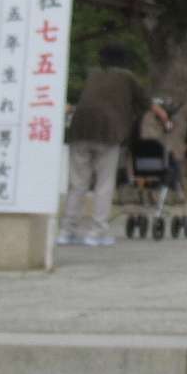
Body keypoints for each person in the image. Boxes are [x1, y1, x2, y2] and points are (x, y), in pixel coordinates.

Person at [60, 46, 157, 247]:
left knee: (77, 182)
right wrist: (161, 114)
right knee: (104, 182)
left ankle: (67, 230)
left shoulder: (93, 75)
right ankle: (97, 231)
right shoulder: (126, 77)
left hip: (79, 130)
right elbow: (146, 102)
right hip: (108, 132)